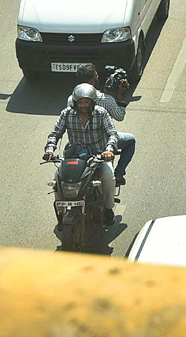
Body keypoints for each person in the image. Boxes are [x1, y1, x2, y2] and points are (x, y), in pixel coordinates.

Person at [43, 84, 118, 225]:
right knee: (57, 179)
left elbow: (112, 134)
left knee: (108, 177)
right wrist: (49, 150)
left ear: (92, 102)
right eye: (80, 102)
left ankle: (109, 209)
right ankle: (61, 211)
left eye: (86, 102)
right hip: (74, 156)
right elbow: (55, 133)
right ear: (75, 102)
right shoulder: (66, 114)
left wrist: (109, 150)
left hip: (97, 156)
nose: (83, 105)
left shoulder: (101, 113)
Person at [70, 63, 135, 187]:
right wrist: (120, 96)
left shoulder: (70, 100)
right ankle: (119, 175)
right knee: (131, 140)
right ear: (94, 81)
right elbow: (119, 117)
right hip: (101, 146)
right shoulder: (107, 100)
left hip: (77, 147)